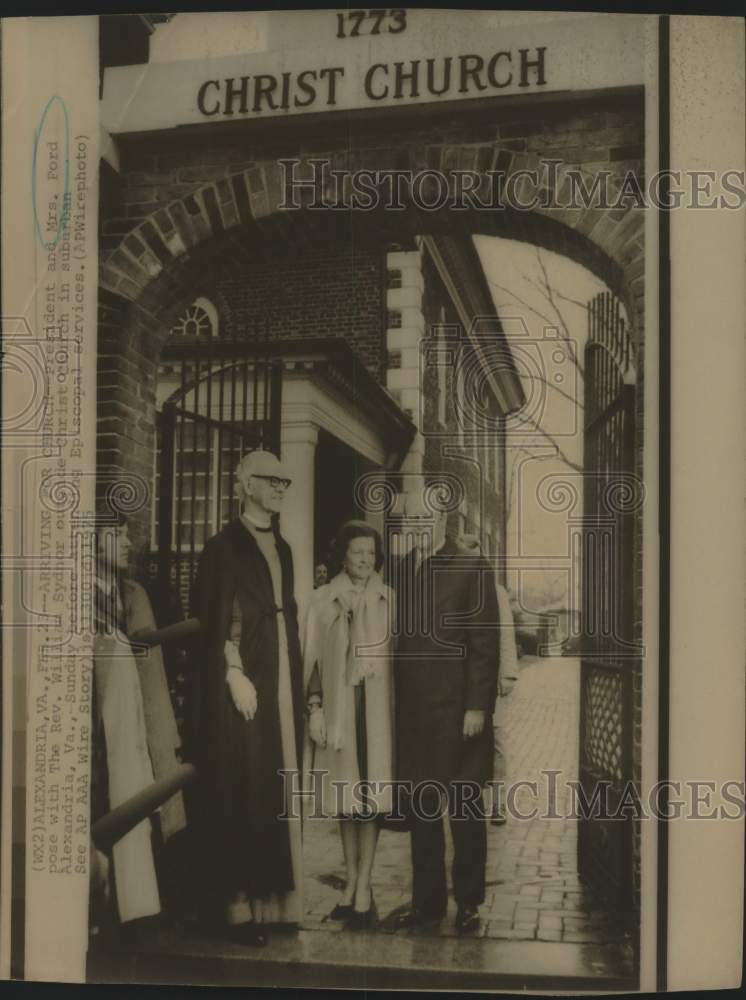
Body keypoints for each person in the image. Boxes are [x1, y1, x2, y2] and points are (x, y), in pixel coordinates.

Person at [190, 449, 304, 947]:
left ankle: (272, 903)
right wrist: (232, 670)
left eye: (284, 481)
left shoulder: (284, 548)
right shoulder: (222, 547)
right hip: (241, 681)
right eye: (270, 479)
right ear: (246, 484)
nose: (279, 487)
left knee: (272, 784)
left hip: (279, 675)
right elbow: (214, 616)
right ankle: (234, 906)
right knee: (240, 784)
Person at [389, 483, 499, 935]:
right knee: (423, 812)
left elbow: (485, 644)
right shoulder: (401, 569)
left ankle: (469, 903)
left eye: (425, 518)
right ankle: (427, 905)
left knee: (466, 810)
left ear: (442, 520)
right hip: (415, 715)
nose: (418, 525)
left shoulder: (471, 566)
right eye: (411, 518)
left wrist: (477, 707)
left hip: (458, 713)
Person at [303, 521, 394, 929]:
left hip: (376, 711)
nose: (365, 560)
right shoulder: (323, 600)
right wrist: (315, 708)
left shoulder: (388, 600)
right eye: (357, 552)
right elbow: (311, 660)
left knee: (371, 797)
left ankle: (364, 885)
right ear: (343, 555)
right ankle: (350, 882)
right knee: (346, 798)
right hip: (340, 711)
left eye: (371, 553)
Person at [91, 511, 161, 928]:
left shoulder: (125, 596)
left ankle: (129, 907)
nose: (127, 542)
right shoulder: (84, 598)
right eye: (115, 534)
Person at [454, 534, 519, 826]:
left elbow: (505, 632)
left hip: (489, 678)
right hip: (459, 681)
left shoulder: (496, 591)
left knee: (496, 740)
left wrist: (507, 674)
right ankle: (465, 799)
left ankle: (498, 801)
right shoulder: (453, 586)